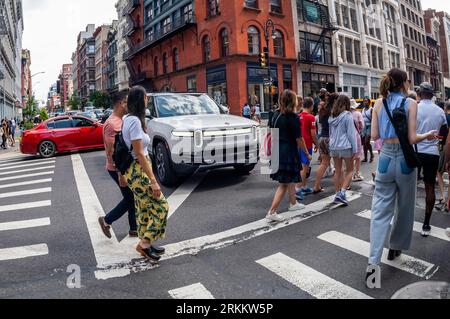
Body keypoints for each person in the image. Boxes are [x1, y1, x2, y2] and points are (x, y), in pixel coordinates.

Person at [366, 68, 437, 288]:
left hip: (385, 159)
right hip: (406, 161)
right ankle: (395, 247)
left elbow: (375, 136)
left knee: (379, 213)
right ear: (404, 83)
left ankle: (372, 271)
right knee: (404, 208)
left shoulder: (378, 104)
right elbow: (412, 138)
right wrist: (428, 135)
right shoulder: (410, 103)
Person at [122, 86, 169, 263]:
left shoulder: (128, 118)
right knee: (162, 207)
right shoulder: (133, 121)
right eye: (145, 97)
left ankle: (147, 244)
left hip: (135, 168)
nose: (147, 100)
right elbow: (140, 153)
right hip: (138, 169)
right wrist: (153, 180)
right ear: (140, 100)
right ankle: (144, 243)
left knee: (143, 208)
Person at [98, 91, 138, 240]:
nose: (130, 105)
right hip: (117, 168)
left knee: (131, 196)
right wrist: (120, 172)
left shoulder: (123, 120)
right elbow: (111, 151)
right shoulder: (111, 124)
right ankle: (107, 220)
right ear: (122, 103)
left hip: (125, 166)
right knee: (130, 198)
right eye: (128, 102)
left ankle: (134, 228)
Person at [266, 90, 310, 222]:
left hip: (277, 150)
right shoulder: (292, 117)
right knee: (284, 183)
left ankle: (293, 203)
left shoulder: (275, 115)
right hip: (287, 152)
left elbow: (272, 134)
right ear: (293, 101)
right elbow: (299, 138)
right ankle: (271, 212)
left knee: (289, 179)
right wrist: (307, 153)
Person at [415, 83, 448, 237]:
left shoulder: (414, 107)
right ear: (432, 94)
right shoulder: (440, 111)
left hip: (415, 151)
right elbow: (444, 132)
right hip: (432, 152)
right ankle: (426, 224)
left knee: (407, 186)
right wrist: (437, 142)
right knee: (429, 187)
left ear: (420, 93)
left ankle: (404, 220)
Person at [329, 95, 358, 206]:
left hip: (334, 146)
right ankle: (342, 192)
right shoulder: (348, 116)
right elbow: (351, 134)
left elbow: (331, 133)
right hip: (345, 146)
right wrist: (355, 149)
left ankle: (337, 193)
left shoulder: (332, 116)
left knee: (337, 170)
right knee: (350, 170)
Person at [313, 93, 339, 193]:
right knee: (338, 165)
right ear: (335, 101)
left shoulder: (322, 110)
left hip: (322, 138)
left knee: (324, 163)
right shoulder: (334, 111)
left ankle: (316, 186)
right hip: (331, 139)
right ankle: (340, 188)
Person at [296, 97, 319, 200]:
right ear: (311, 106)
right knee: (305, 167)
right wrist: (317, 144)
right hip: (307, 144)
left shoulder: (298, 116)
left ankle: (304, 187)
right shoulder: (311, 117)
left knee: (303, 165)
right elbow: (313, 133)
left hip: (299, 144)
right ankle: (298, 188)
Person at [436, 102, 450, 211]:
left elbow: (441, 135)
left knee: (439, 172)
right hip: (446, 145)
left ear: (445, 108)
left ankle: (442, 196)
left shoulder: (444, 117)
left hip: (443, 146)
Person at [350, 99, 365, 183]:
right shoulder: (358, 114)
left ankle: (350, 173)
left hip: (348, 137)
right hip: (356, 136)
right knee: (358, 156)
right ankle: (357, 173)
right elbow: (361, 126)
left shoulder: (346, 114)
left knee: (351, 156)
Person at [361, 98, 374, 163]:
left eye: (366, 101)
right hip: (363, 127)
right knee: (364, 143)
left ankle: (372, 154)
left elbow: (373, 119)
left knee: (366, 141)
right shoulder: (362, 109)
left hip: (369, 126)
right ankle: (365, 158)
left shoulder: (371, 109)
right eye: (364, 101)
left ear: (369, 102)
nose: (364, 102)